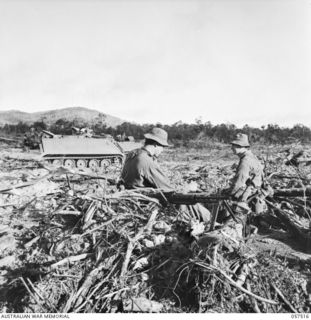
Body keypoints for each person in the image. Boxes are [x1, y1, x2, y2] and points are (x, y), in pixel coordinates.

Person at [119, 127, 211, 223]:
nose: (162, 150)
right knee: (187, 202)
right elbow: (169, 190)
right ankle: (212, 223)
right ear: (155, 144)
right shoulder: (146, 160)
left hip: (133, 198)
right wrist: (188, 188)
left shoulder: (133, 154)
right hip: (146, 202)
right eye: (162, 146)